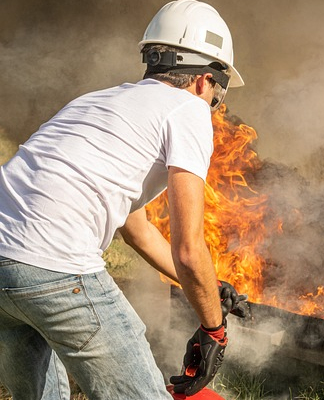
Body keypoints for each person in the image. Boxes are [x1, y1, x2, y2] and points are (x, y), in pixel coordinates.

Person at [0, 0, 247, 398]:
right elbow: (188, 248)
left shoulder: (98, 102)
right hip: (56, 264)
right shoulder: (188, 110)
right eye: (218, 97)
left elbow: (139, 232)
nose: (214, 108)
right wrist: (213, 329)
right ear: (204, 80)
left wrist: (208, 287)